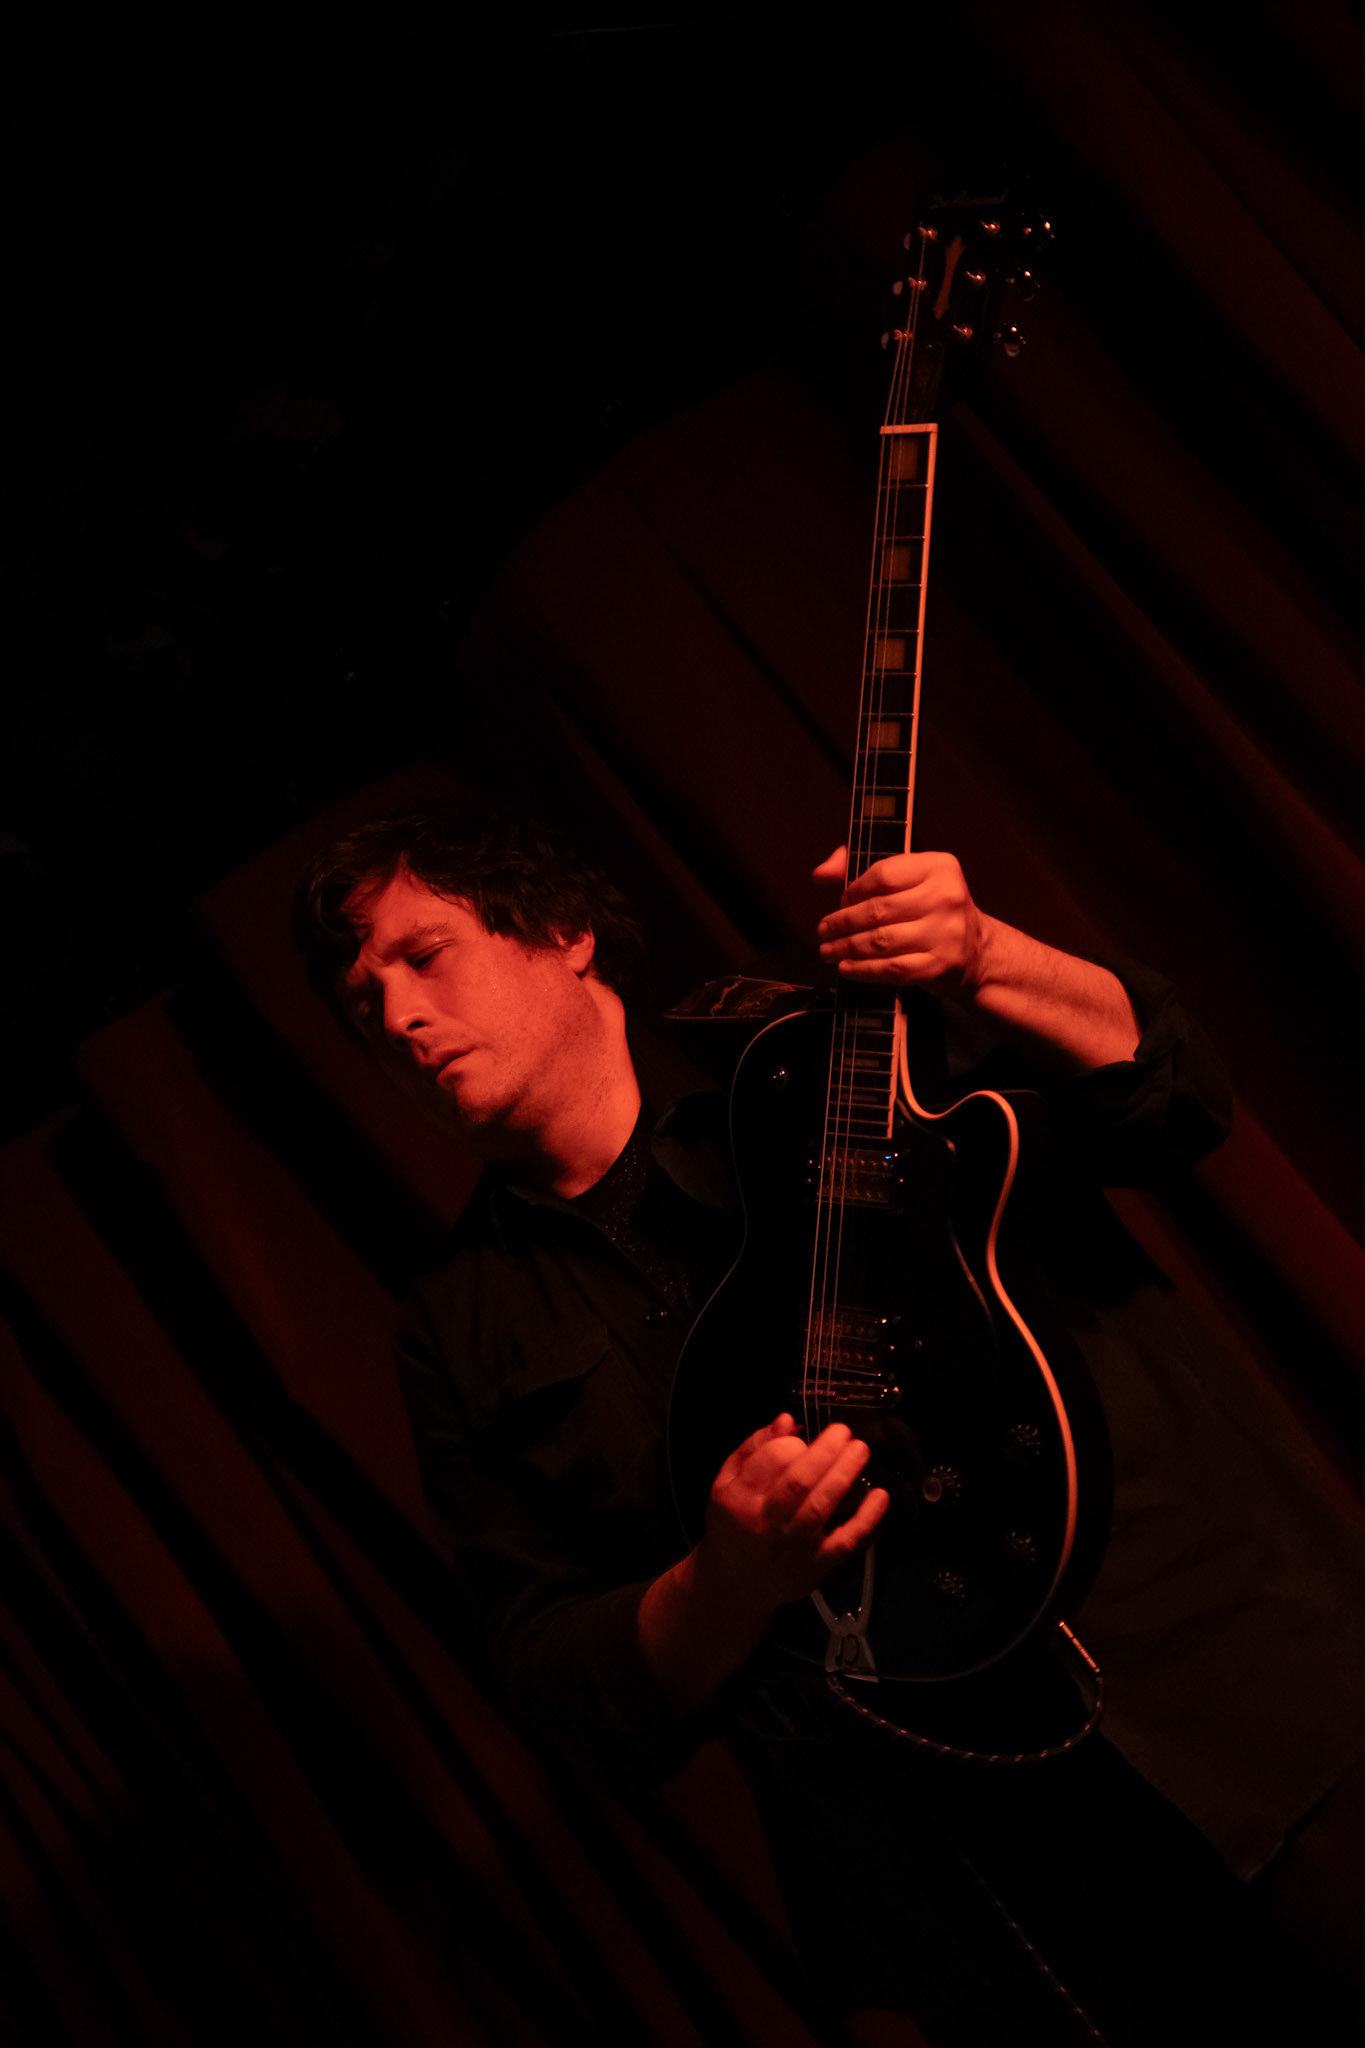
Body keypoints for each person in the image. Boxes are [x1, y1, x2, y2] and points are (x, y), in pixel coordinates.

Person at [294, 808, 1365, 2043]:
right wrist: (720, 1582)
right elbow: (559, 1681)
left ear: (563, 932)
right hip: (1000, 1884)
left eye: (423, 954)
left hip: (1244, 1694)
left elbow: (1175, 1100)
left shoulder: (834, 1038)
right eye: (362, 999)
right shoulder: (454, 1327)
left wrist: (988, 955)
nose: (397, 1013)